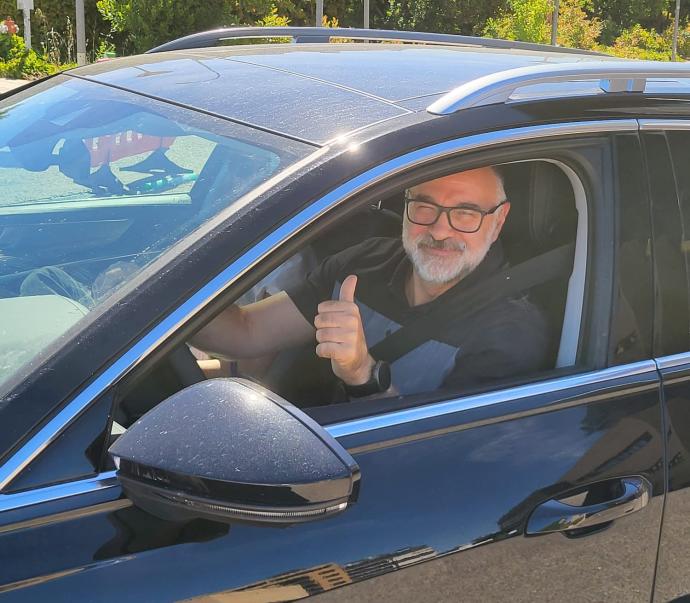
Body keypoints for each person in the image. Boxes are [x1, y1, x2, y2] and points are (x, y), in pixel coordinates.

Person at [192, 166, 549, 398]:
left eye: (466, 213)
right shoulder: (365, 262)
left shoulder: (510, 332)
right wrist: (151, 301)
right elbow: (246, 330)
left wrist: (362, 373)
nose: (440, 230)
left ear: (498, 221)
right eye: (424, 206)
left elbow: (431, 459)